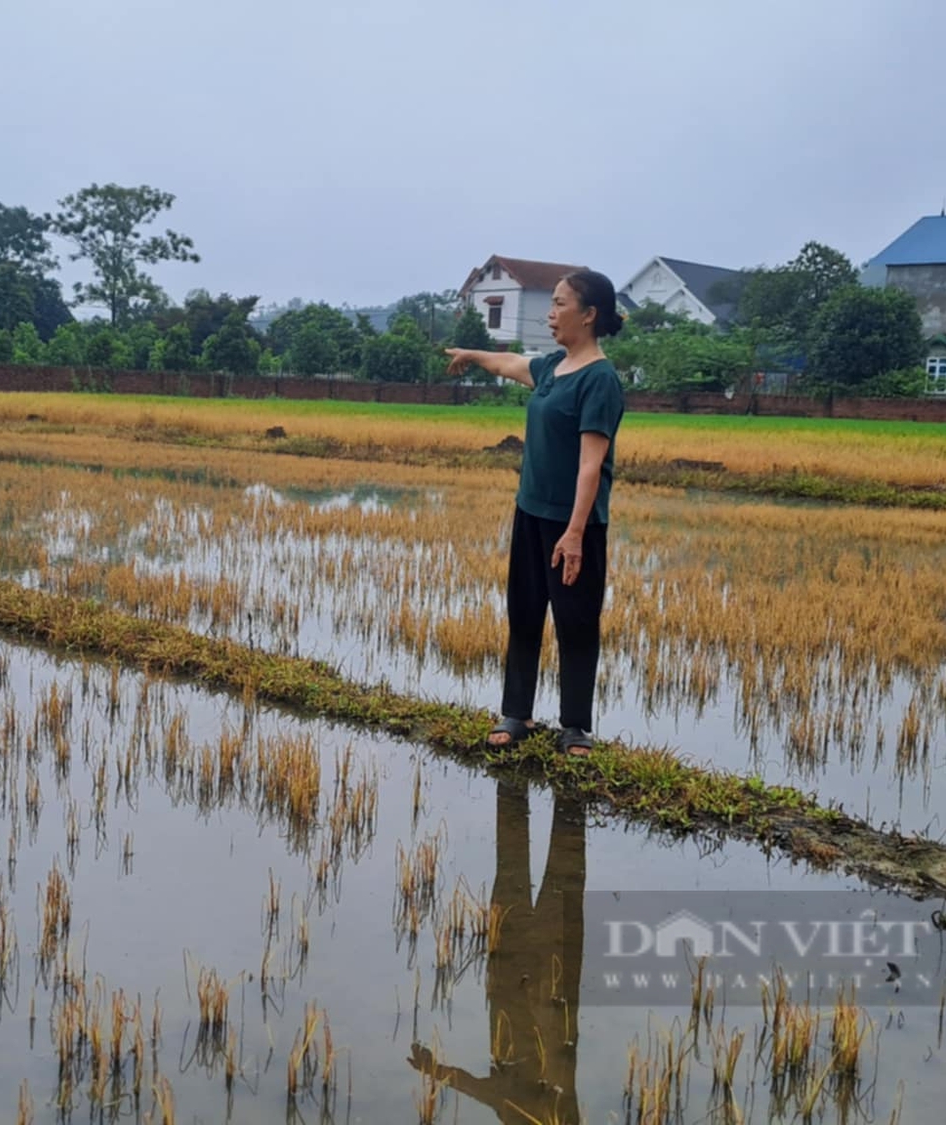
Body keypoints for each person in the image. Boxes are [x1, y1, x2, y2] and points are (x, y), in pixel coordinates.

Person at [443, 270, 626, 756]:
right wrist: (473, 355)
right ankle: (517, 712)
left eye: (560, 304)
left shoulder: (600, 380)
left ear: (588, 315)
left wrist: (574, 533)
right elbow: (509, 364)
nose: (551, 312)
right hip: (530, 513)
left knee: (576, 621)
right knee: (524, 612)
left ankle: (574, 727)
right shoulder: (552, 368)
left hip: (575, 524)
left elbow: (592, 466)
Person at [408, 781, 587, 1123]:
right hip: (544, 1004)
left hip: (519, 1001)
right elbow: (482, 1091)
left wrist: (435, 1069)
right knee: (555, 885)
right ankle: (558, 791)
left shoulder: (516, 1111)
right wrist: (435, 1069)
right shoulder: (536, 1109)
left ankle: (537, 785)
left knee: (519, 876)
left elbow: (480, 1090)